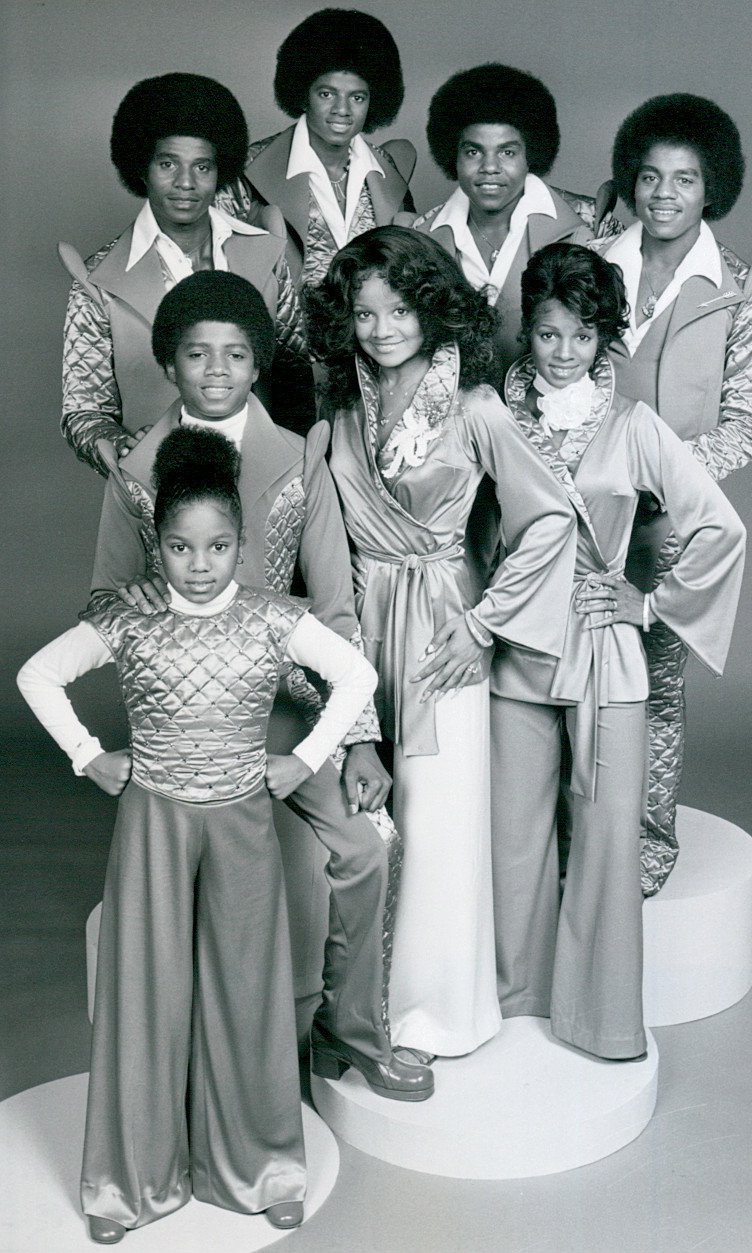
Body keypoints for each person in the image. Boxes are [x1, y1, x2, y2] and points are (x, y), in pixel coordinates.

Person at [17, 425, 379, 1242]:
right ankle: (126, 1181)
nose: (201, 563)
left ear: (242, 544)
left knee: (247, 990)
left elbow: (356, 672)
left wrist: (305, 757)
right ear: (159, 546)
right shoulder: (130, 618)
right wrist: (88, 755)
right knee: (143, 988)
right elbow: (35, 674)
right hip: (152, 820)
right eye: (181, 547)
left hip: (243, 819)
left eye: (218, 545)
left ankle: (262, 1165)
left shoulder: (271, 617)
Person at [89, 270, 433, 1106]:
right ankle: (195, 1065)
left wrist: (356, 738)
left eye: (236, 354)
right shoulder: (135, 473)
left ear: (258, 361)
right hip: (184, 720)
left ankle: (348, 1032)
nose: (216, 371)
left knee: (367, 843)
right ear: (168, 363)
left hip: (286, 705)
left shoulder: (298, 456)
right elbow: (102, 602)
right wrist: (137, 620)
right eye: (197, 354)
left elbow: (337, 608)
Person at [304, 226, 578, 1058]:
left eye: (400, 308)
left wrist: (484, 626)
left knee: (437, 819)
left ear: (434, 307)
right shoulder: (339, 410)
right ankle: (355, 1003)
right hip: (357, 623)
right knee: (367, 811)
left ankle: (429, 1014)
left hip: (442, 628)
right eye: (363, 312)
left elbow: (550, 519)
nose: (382, 327)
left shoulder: (476, 406)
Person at [494, 242, 745, 1059]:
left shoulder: (636, 427)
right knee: (514, 840)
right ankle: (511, 1007)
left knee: (606, 841)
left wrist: (650, 600)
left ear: (607, 338)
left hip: (606, 648)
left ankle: (600, 1021)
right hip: (517, 652)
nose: (562, 352)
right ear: (526, 331)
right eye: (546, 333)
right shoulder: (490, 415)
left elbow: (719, 526)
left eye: (581, 335)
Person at [591, 94, 752, 894]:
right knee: (576, 672)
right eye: (650, 176)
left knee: (657, 684)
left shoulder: (741, 290)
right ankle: (581, 835)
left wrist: (661, 470)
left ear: (714, 188)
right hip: (580, 512)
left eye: (686, 179)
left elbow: (750, 421)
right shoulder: (589, 261)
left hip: (670, 523)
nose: (664, 194)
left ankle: (649, 842)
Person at [61, 71, 313, 474]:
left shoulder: (266, 252)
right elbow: (84, 410)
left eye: (202, 167)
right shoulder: (98, 280)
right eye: (167, 164)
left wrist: (300, 470)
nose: (185, 183)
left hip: (266, 479)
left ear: (220, 172)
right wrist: (121, 448)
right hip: (161, 492)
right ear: (141, 168)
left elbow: (296, 377)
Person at [396, 63, 618, 388]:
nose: (489, 167)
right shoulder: (419, 237)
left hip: (551, 427)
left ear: (531, 155)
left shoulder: (588, 225)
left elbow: (606, 353)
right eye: (474, 151)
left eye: (507, 152)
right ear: (452, 156)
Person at [216, 8, 416, 287]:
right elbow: (219, 274)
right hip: (282, 330)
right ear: (303, 93)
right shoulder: (247, 170)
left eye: (357, 97)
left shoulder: (386, 169)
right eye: (327, 94)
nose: (342, 110)